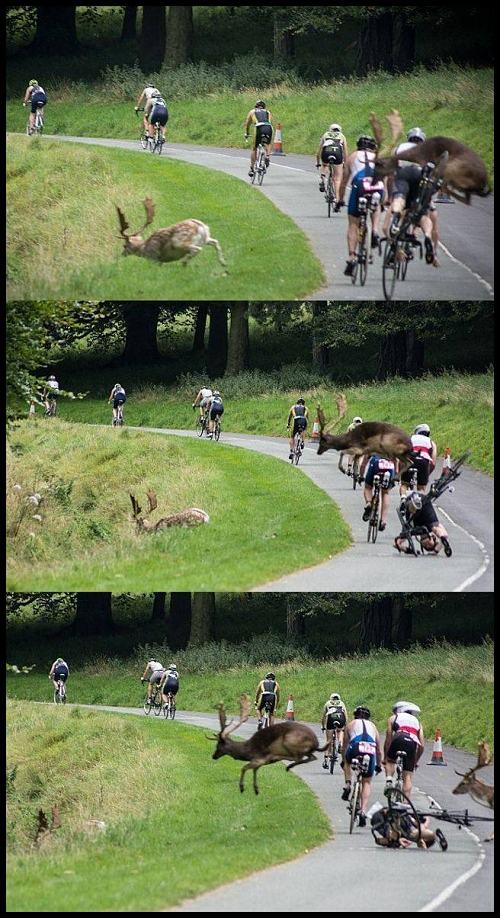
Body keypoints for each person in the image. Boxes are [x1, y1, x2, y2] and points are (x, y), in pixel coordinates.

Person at [386, 127, 438, 267]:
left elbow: (391, 174)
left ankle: (396, 219)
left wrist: (390, 196)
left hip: (403, 173)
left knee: (400, 201)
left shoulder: (399, 148)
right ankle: (427, 235)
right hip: (420, 177)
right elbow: (433, 177)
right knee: (423, 214)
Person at [340, 136, 385, 276]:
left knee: (353, 223)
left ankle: (352, 257)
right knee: (376, 206)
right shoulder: (379, 158)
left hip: (359, 184)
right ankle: (375, 231)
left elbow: (343, 182)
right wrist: (385, 201)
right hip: (377, 184)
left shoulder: (352, 157)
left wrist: (340, 199)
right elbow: (385, 181)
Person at [342, 705, 383, 827]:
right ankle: (363, 811)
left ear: (355, 715)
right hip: (370, 749)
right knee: (367, 782)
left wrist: (344, 761)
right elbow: (379, 750)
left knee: (347, 762)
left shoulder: (351, 724)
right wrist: (379, 765)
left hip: (355, 746)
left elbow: (344, 745)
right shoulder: (373, 727)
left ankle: (348, 784)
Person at [384, 701, 424, 799]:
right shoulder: (417, 722)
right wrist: (415, 761)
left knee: (390, 761)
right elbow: (422, 745)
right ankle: (406, 803)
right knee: (408, 776)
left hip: (398, 737)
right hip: (411, 742)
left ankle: (389, 780)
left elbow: (388, 738)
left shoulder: (393, 718)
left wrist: (386, 756)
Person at [394, 490, 452, 556]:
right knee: (435, 528)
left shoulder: (413, 532)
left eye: (426, 547)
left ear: (421, 544)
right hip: (424, 505)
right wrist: (436, 550)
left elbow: (397, 544)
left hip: (414, 510)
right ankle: (415, 502)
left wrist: (410, 550)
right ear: (433, 537)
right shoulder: (429, 528)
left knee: (412, 516)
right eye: (430, 545)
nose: (427, 545)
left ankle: (414, 503)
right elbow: (445, 535)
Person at [371, 806, 446, 850]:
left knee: (400, 836)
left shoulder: (408, 834)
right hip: (392, 818)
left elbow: (379, 841)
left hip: (388, 819)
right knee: (409, 834)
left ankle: (434, 834)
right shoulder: (410, 833)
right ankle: (434, 834)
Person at [361, 454, 397, 531]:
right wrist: (396, 474)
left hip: (376, 463)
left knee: (368, 487)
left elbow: (364, 463)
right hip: (389, 465)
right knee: (385, 493)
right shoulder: (392, 442)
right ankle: (383, 521)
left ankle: (368, 503)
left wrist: (361, 475)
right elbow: (396, 460)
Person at [316, 123, 348, 209]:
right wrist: (345, 163)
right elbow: (345, 152)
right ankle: (337, 200)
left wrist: (318, 163)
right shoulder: (342, 136)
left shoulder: (326, 134)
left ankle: (322, 179)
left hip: (326, 153)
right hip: (337, 155)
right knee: (337, 179)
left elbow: (319, 151)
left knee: (325, 165)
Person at [400, 424, 437, 495]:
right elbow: (433, 463)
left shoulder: (410, 438)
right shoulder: (431, 442)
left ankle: (403, 499)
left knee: (404, 485)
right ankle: (419, 502)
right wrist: (426, 474)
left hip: (410, 460)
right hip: (423, 462)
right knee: (421, 488)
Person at [244, 100, 274, 177]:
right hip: (268, 127)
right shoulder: (268, 112)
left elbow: (247, 124)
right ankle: (267, 156)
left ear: (256, 106)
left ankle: (252, 168)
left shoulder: (252, 111)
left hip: (259, 127)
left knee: (254, 148)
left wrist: (247, 133)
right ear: (264, 107)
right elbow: (270, 121)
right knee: (267, 143)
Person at [321, 692, 348, 769]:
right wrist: (345, 726)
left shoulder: (327, 703)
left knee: (328, 741)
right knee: (340, 731)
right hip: (340, 719)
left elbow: (323, 717)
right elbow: (345, 715)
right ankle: (340, 743)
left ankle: (326, 759)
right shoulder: (342, 703)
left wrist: (323, 726)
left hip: (330, 721)